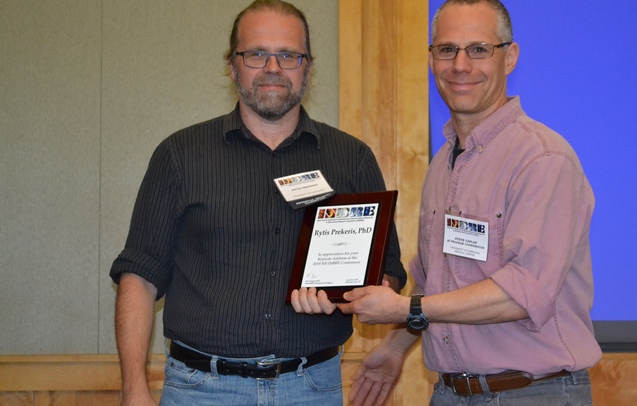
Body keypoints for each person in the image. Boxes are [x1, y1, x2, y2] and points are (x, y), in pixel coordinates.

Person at [109, 1, 406, 405]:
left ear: (307, 67)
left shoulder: (351, 159)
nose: (273, 67)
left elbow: (387, 275)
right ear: (232, 66)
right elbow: (139, 277)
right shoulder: (179, 155)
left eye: (288, 55)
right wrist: (134, 388)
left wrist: (346, 296)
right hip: (201, 390)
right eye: (256, 54)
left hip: (312, 388)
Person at [336, 1, 602, 405]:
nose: (460, 65)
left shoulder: (543, 159)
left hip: (530, 393)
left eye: (479, 49)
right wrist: (393, 350)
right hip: (451, 392)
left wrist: (405, 309)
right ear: (431, 59)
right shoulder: (445, 163)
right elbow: (435, 283)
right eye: (447, 50)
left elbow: (522, 294)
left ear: (509, 57)